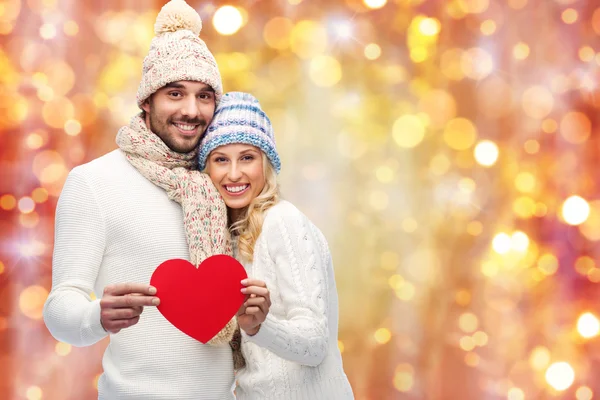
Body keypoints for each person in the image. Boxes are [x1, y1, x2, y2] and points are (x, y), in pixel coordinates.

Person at [42, 1, 269, 399]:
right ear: (146, 101)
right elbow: (60, 309)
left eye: (204, 96)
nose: (191, 110)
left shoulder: (218, 183)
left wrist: (259, 316)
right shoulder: (94, 182)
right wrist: (97, 315)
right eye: (175, 93)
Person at [198, 92, 355, 399]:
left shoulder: (282, 221)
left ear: (265, 163)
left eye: (247, 157)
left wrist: (259, 327)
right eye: (220, 159)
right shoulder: (224, 239)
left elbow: (315, 344)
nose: (233, 174)